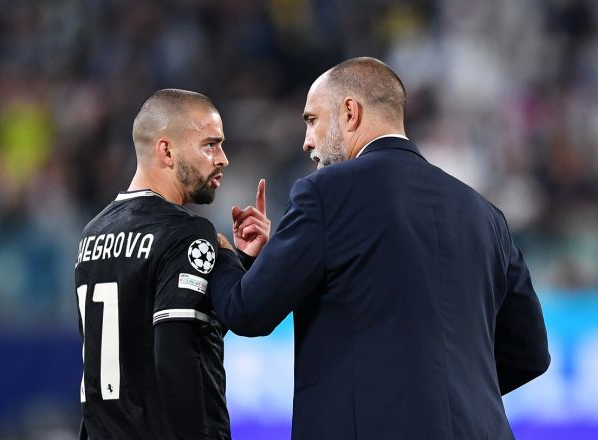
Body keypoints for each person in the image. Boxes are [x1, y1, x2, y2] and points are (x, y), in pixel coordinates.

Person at [210, 58, 550, 439]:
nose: (307, 141)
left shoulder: (325, 193)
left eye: (312, 120)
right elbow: (530, 353)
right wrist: (448, 394)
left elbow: (247, 311)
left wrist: (223, 254)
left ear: (350, 113)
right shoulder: (485, 214)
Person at [74, 89, 269, 439]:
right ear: (166, 150)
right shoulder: (185, 232)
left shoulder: (93, 233)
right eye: (210, 145)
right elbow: (175, 354)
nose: (223, 159)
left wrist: (240, 261)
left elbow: (165, 336)